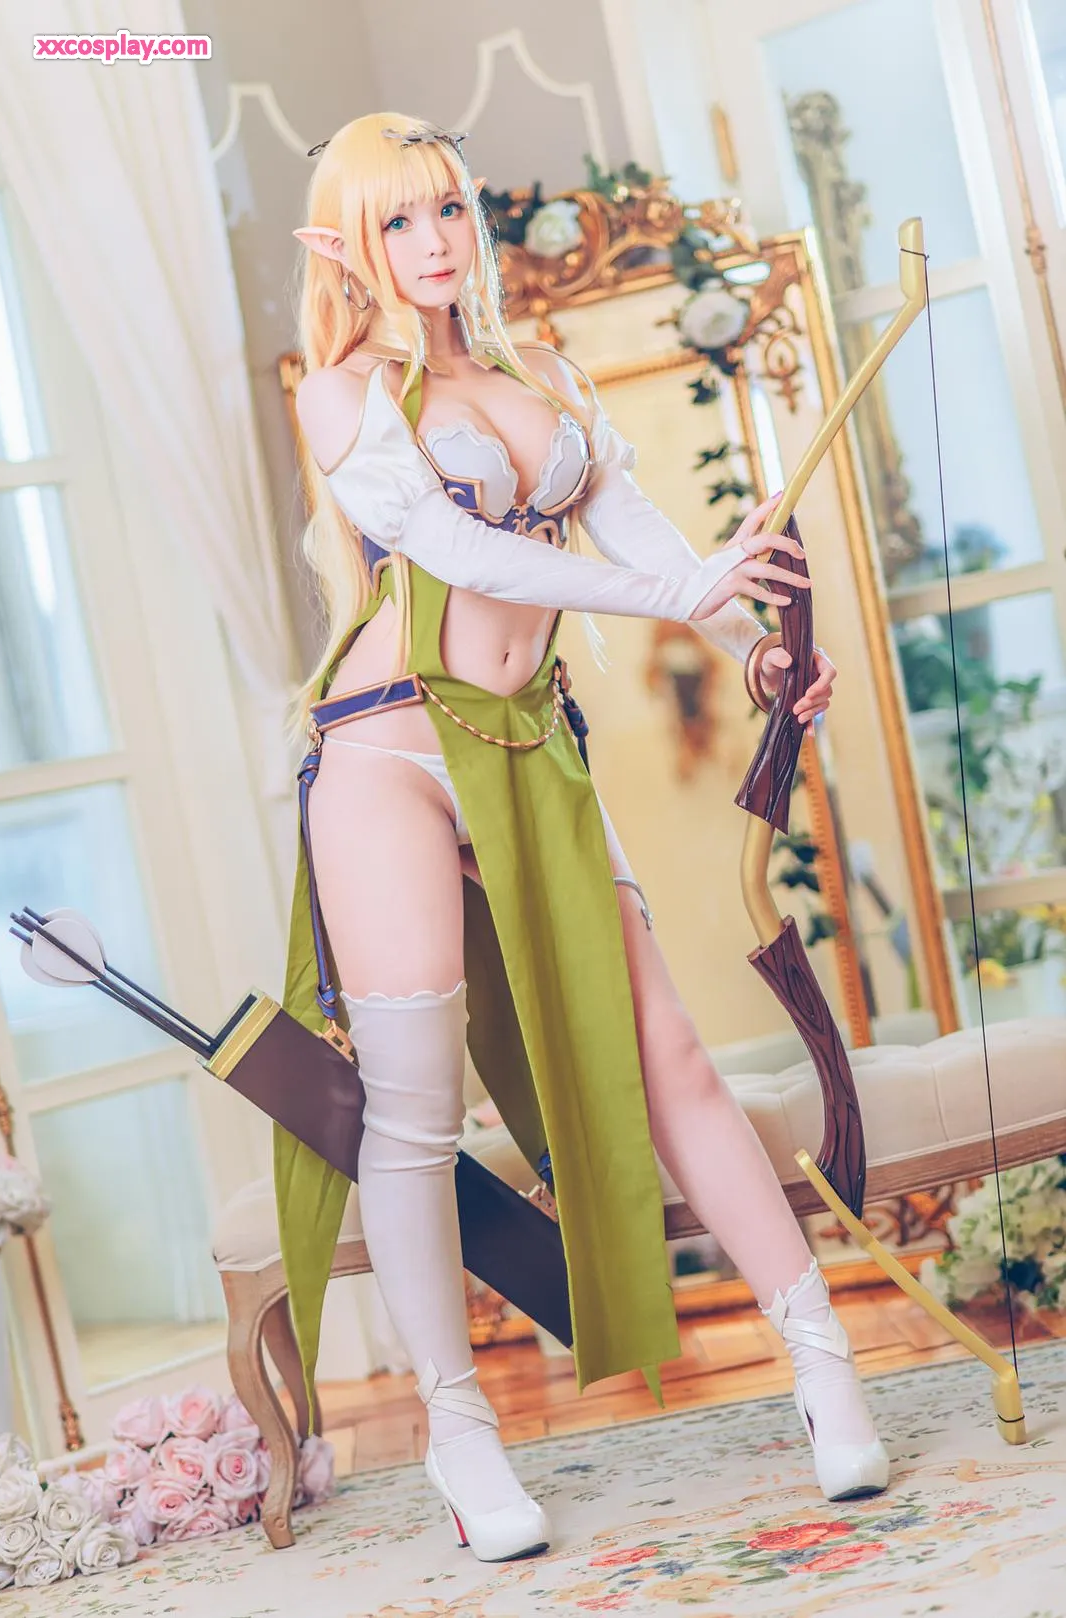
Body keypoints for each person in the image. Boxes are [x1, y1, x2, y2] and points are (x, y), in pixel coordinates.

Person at [282, 110, 888, 1563]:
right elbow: (458, 550)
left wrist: (753, 644)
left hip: (527, 742)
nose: (435, 240)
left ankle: (822, 1359)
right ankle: (458, 1429)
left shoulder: (542, 376)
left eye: (449, 208)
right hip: (388, 753)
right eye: (398, 219)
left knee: (672, 1048)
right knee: (416, 1104)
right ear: (346, 247)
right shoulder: (341, 394)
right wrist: (680, 598)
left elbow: (651, 544)